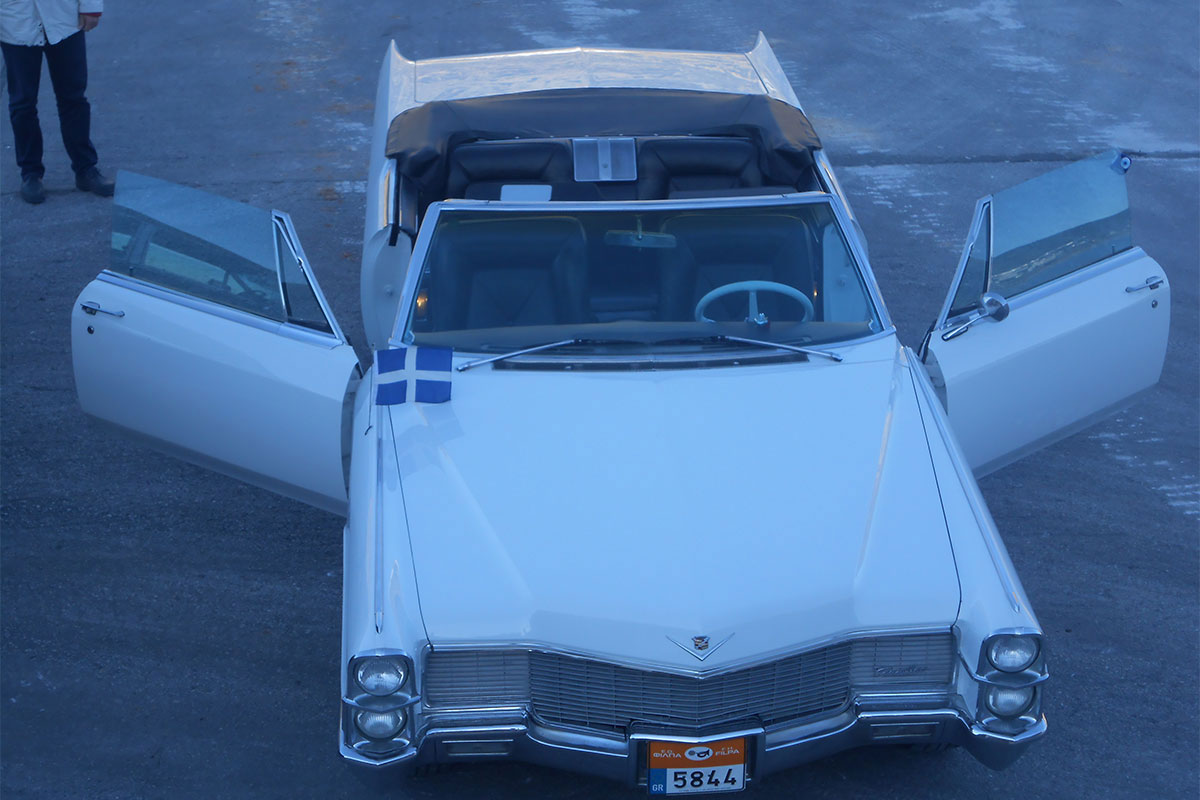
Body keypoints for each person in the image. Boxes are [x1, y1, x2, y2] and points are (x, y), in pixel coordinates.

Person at [1, 1, 113, 204]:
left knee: (74, 98)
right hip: (14, 23)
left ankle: (85, 169)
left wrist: (90, 7)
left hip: (65, 19)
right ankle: (31, 174)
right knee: (22, 104)